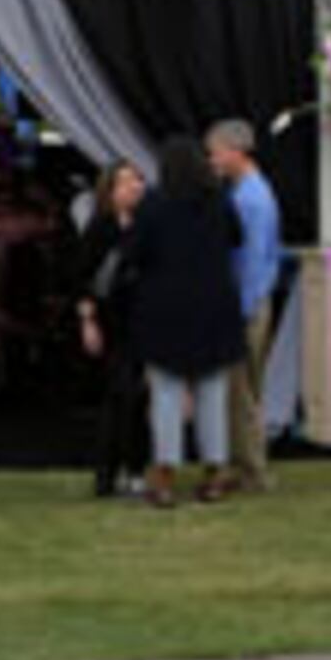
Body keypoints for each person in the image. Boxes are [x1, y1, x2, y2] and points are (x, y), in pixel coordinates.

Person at [127, 134, 248, 507]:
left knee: (166, 393)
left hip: (165, 310)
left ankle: (164, 476)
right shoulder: (219, 201)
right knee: (213, 393)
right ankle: (215, 473)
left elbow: (135, 253)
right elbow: (237, 238)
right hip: (215, 308)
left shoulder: (153, 205)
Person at [205, 120, 283, 491]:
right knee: (242, 389)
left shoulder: (249, 199)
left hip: (246, 304)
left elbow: (250, 263)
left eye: (216, 153)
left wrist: (241, 310)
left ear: (236, 151)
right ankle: (243, 465)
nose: (212, 161)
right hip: (252, 301)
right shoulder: (253, 192)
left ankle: (252, 469)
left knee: (242, 391)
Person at [72, 159, 150, 498]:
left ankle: (134, 469)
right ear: (111, 190)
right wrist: (87, 321)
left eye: (138, 180)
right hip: (112, 323)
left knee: (137, 398)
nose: (134, 186)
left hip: (144, 322)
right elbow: (81, 278)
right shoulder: (100, 229)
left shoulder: (147, 225)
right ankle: (110, 472)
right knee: (120, 396)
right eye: (126, 181)